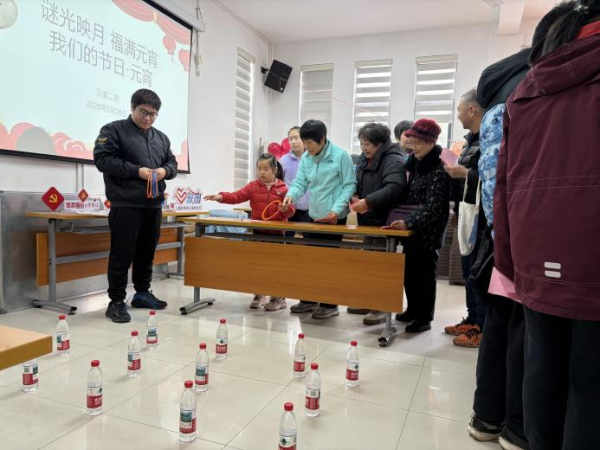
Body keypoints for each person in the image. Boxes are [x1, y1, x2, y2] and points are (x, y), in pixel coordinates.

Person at [494, 2, 600, 449]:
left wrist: (508, 264)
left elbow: (503, 185)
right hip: (591, 256)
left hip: (535, 254)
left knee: (542, 373)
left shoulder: (523, 93)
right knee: (590, 387)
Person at [93, 89, 178, 323]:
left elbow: (172, 163)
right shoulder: (113, 130)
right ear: (132, 107)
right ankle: (116, 301)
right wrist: (136, 171)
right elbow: (103, 160)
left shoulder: (161, 138)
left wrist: (165, 171)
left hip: (153, 205)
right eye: (143, 112)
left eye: (153, 114)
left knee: (146, 252)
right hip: (126, 203)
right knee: (122, 253)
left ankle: (142, 293)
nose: (148, 118)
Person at [282, 120, 357, 319]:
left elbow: (349, 185)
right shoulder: (307, 158)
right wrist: (290, 196)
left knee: (329, 262)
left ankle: (329, 304)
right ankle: (309, 299)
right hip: (313, 215)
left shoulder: (340, 156)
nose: (306, 147)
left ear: (322, 139)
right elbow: (300, 182)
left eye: (310, 143)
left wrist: (336, 210)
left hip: (334, 218)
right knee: (311, 260)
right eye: (304, 142)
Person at [204, 153, 295, 311]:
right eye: (259, 169)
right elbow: (236, 196)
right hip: (258, 233)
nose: (262, 172)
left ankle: (278, 298)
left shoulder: (284, 189)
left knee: (275, 267)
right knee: (257, 265)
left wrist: (285, 209)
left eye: (266, 169)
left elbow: (291, 211)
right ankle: (259, 294)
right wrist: (220, 197)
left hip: (277, 235)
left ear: (274, 170)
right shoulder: (253, 186)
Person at [389, 119, 450, 333]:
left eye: (417, 143)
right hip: (412, 229)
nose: (412, 147)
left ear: (431, 142)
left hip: (428, 230)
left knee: (424, 274)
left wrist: (408, 221)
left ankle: (424, 317)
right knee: (410, 271)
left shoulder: (438, 168)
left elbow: (434, 207)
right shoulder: (414, 163)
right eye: (411, 142)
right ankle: (413, 309)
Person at [349, 123, 407, 325]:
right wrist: (355, 195)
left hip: (384, 221)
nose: (363, 148)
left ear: (380, 143)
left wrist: (368, 202)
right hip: (367, 219)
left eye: (367, 144)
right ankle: (369, 301)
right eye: (361, 143)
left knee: (383, 266)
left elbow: (395, 187)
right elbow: (358, 180)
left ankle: (382, 307)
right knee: (369, 264)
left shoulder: (393, 158)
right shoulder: (366, 157)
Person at [444, 89, 487, 348]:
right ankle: (471, 319)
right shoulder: (470, 141)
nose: (458, 115)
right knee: (468, 270)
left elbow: (494, 177)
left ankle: (482, 326)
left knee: (478, 272)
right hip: (466, 212)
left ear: (472, 110)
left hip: (482, 218)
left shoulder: (490, 139)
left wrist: (465, 174)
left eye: (459, 110)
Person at [280, 126, 310, 228]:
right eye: (290, 139)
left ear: (303, 139)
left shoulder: (312, 158)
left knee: (309, 235)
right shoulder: (283, 160)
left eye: (296, 138)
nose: (293, 142)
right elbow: (279, 182)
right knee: (287, 235)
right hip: (289, 206)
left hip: (308, 207)